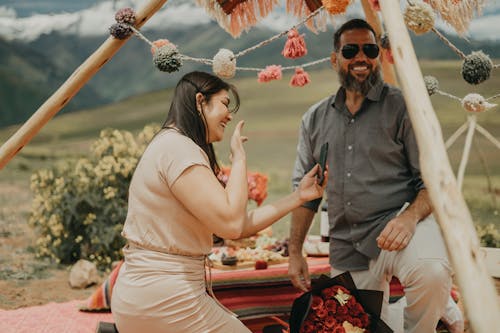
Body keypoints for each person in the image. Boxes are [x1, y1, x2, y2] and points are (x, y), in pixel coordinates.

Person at [111, 71, 327, 333]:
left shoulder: (172, 145)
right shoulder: (179, 149)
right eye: (225, 103)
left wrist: (299, 197)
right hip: (164, 297)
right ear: (200, 101)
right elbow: (232, 225)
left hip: (150, 293)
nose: (229, 114)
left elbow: (239, 224)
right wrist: (238, 159)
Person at [288, 19, 463, 333]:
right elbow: (305, 195)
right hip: (349, 244)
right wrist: (295, 251)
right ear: (334, 58)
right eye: (350, 50)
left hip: (403, 226)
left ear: (378, 56)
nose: (361, 57)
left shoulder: (404, 108)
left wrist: (409, 219)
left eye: (369, 49)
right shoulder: (313, 119)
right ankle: (444, 314)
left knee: (433, 273)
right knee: (356, 323)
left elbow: (432, 181)